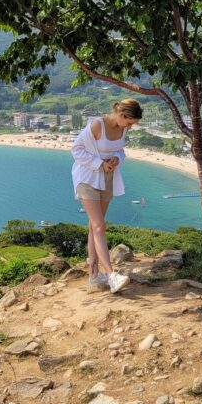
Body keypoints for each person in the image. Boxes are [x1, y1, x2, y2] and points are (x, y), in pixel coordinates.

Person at [71, 98, 143, 293]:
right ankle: (111, 275)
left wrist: (117, 158)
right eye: (129, 122)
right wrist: (99, 163)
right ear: (121, 115)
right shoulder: (97, 125)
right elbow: (76, 150)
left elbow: (119, 149)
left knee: (94, 226)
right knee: (99, 225)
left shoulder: (123, 129)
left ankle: (93, 275)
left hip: (107, 178)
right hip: (87, 178)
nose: (131, 127)